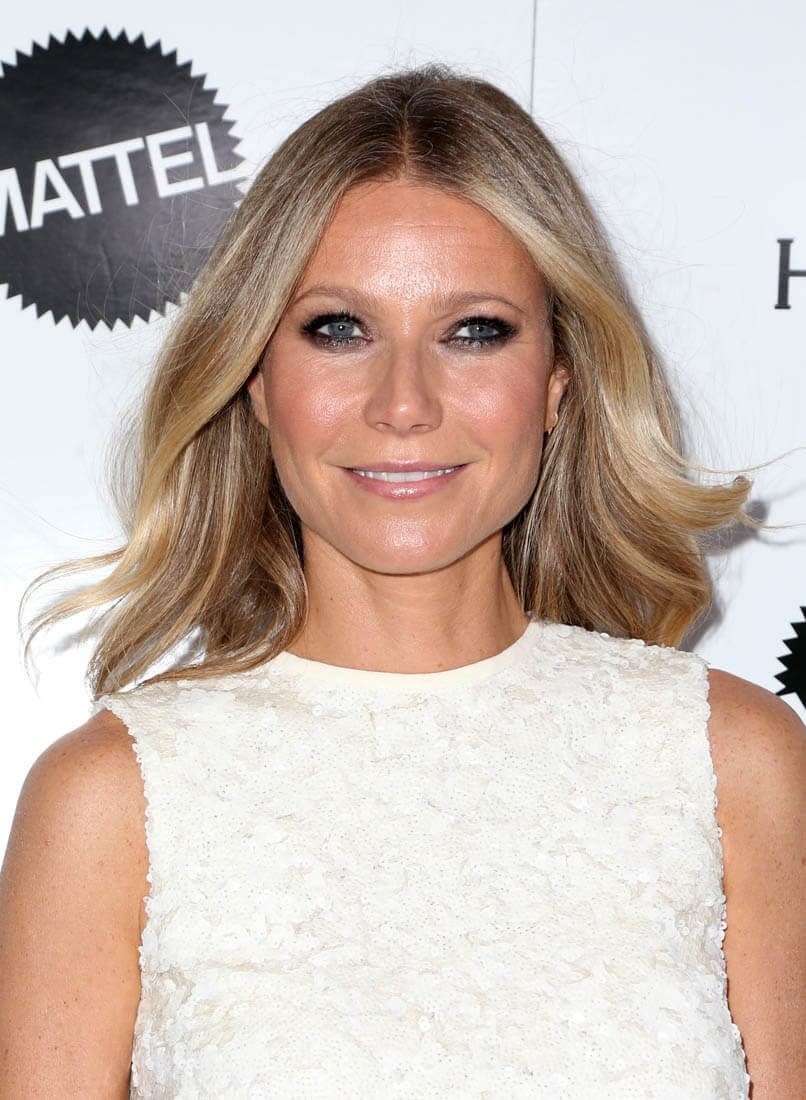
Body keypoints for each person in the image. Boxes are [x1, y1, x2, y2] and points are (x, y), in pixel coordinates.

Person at [0, 65, 803, 1099]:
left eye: (474, 331)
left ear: (557, 382)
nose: (404, 403)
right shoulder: (111, 799)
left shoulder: (733, 759)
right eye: (339, 328)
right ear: (256, 378)